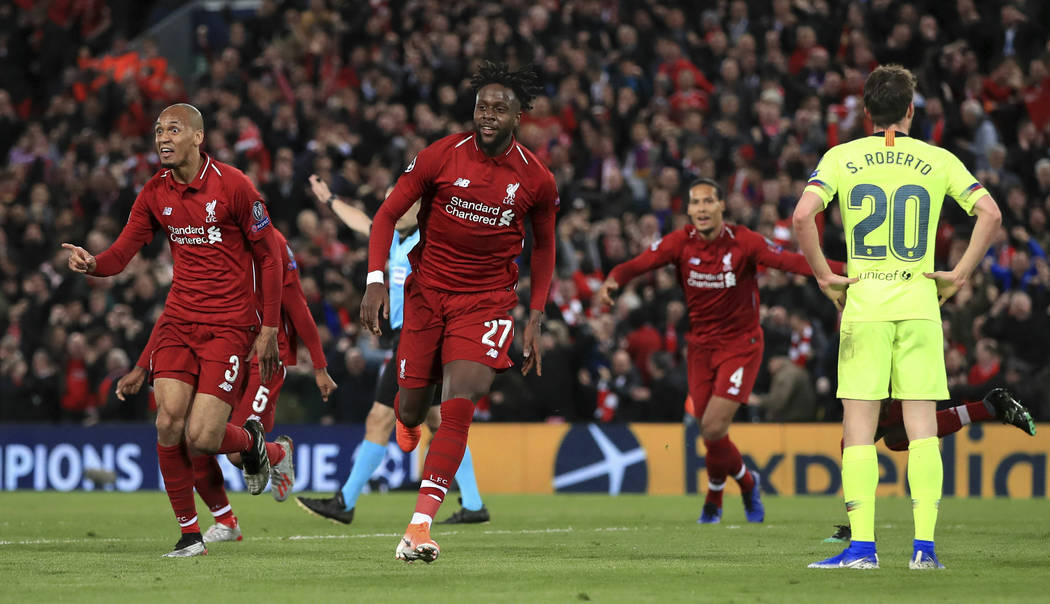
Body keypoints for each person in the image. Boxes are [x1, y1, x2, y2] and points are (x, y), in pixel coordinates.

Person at [794, 65, 1001, 570]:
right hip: (919, 303)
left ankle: (862, 549)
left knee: (860, 429)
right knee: (923, 429)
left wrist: (825, 276)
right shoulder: (938, 158)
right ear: (912, 110)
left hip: (864, 303)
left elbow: (802, 217)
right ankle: (924, 552)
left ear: (866, 112)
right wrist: (960, 274)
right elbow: (990, 214)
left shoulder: (842, 157)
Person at [62, 103, 288, 558]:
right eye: (158, 130)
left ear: (198, 137)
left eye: (174, 129)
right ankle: (190, 535)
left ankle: (263, 447)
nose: (162, 138)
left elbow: (270, 257)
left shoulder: (235, 187)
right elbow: (123, 252)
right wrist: (94, 264)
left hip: (228, 327)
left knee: (202, 438)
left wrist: (268, 328)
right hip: (179, 323)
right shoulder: (153, 193)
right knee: (167, 422)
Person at [360, 61, 558, 563]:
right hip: (427, 295)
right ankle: (408, 421)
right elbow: (386, 215)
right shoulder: (440, 155)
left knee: (459, 403)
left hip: (487, 302)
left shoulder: (537, 179)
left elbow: (544, 248)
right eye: (481, 106)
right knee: (409, 409)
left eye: (499, 108)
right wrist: (376, 280)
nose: (487, 115)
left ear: (518, 117)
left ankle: (419, 526)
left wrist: (535, 315)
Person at [597, 178, 845, 525]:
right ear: (688, 210)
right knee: (711, 431)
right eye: (694, 202)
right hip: (699, 349)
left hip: (741, 346)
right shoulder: (679, 242)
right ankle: (747, 481)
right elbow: (639, 264)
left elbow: (792, 262)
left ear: (721, 206)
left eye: (708, 201)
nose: (701, 208)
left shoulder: (744, 242)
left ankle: (714, 498)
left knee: (712, 427)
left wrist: (848, 271)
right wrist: (614, 279)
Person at [117, 226, 337, 543]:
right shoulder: (207, 242)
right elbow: (174, 311)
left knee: (234, 454)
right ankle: (226, 521)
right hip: (220, 352)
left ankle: (277, 452)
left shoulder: (273, 243)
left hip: (263, 361)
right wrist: (143, 364)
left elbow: (298, 306)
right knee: (194, 440)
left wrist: (319, 366)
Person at [295, 175, 488, 525]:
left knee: (381, 417)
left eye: (400, 202)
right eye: (389, 203)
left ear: (421, 205)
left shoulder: (432, 236)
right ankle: (474, 504)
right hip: (410, 338)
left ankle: (346, 501)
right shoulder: (396, 238)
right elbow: (364, 222)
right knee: (438, 421)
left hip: (421, 338)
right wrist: (331, 200)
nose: (393, 209)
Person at [824, 388, 1036, 543]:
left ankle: (862, 529)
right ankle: (988, 407)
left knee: (857, 439)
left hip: (888, 379)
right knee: (897, 438)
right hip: (899, 372)